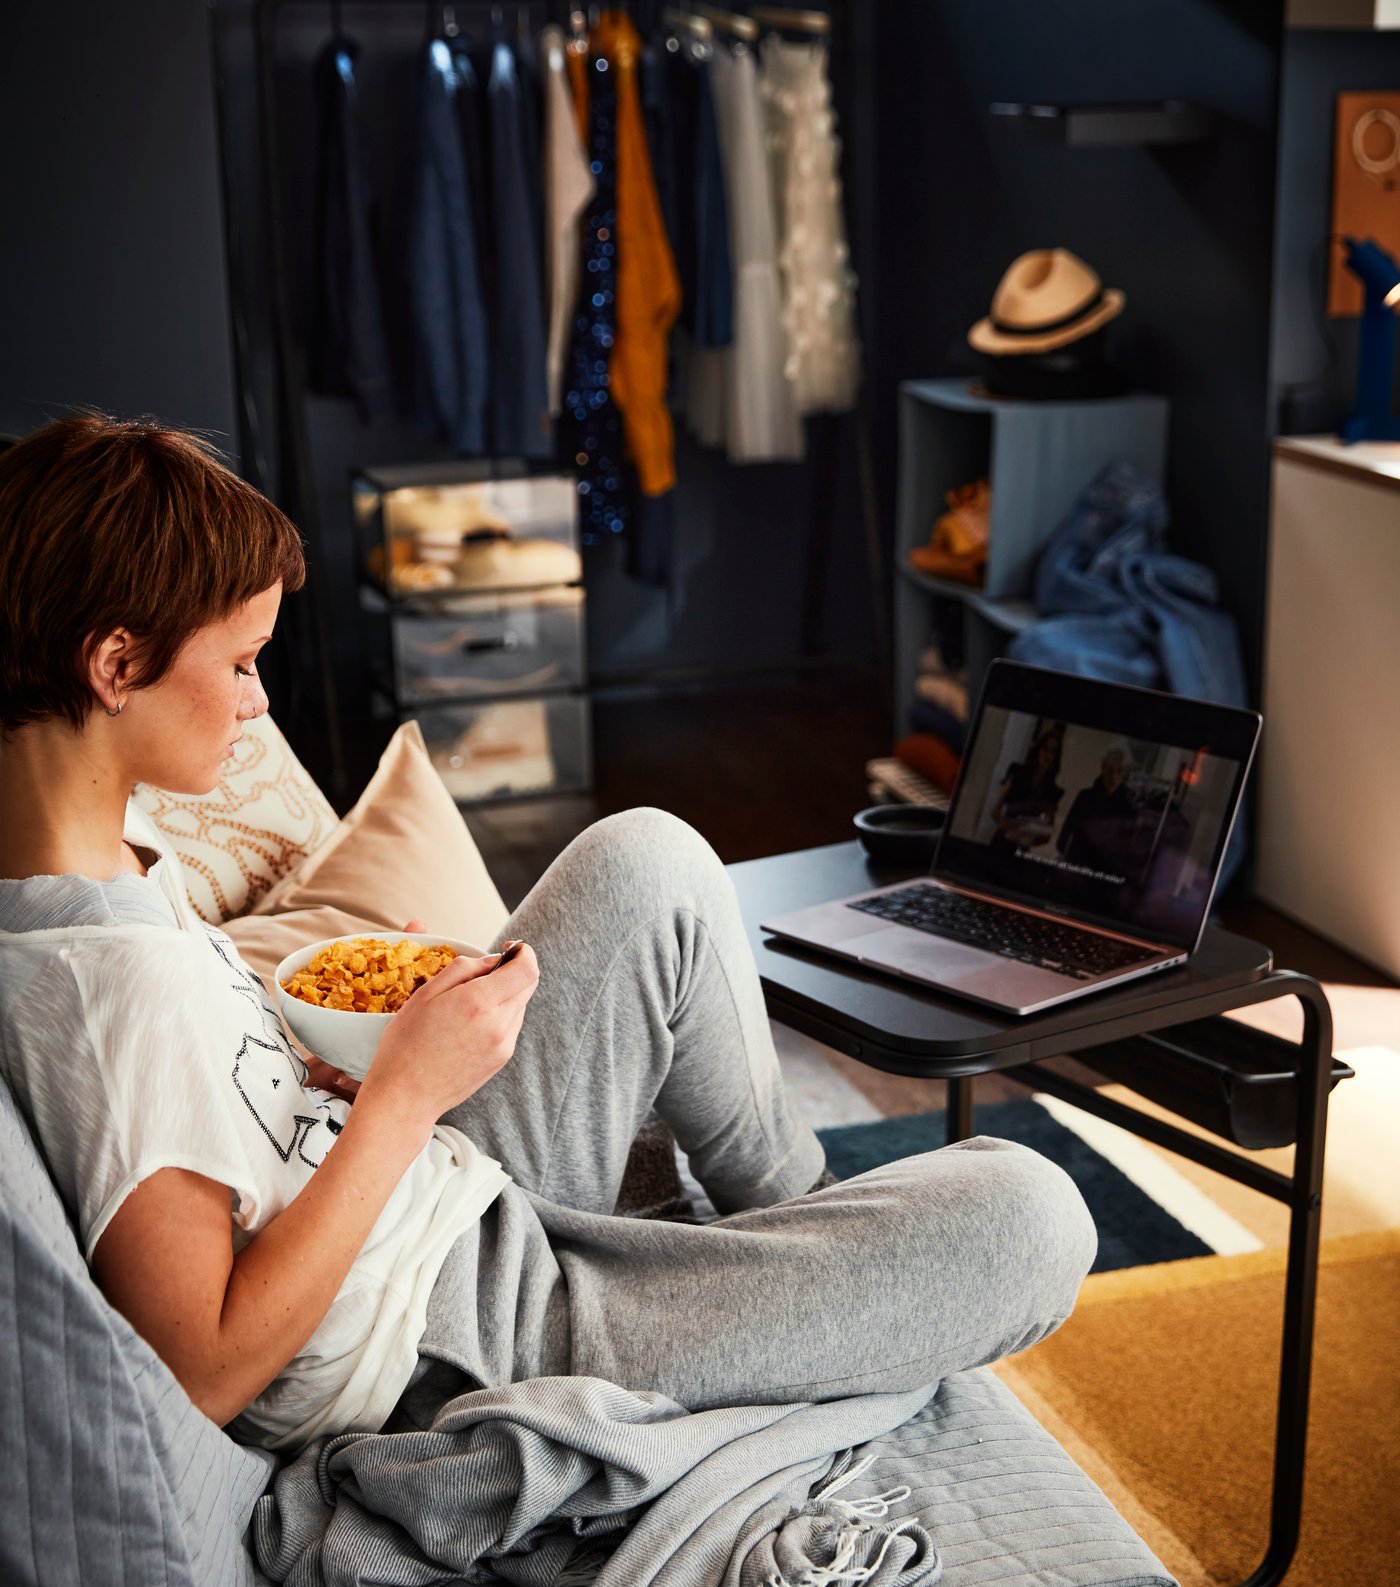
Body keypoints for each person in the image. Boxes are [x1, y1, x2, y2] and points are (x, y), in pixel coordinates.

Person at [0, 415, 1096, 1454]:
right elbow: (206, 1375)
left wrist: (330, 1067)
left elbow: (202, 1128)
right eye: (240, 663)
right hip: (451, 1330)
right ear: (114, 667)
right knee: (1032, 1217)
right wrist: (403, 1096)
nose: (259, 705)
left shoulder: (106, 859)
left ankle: (792, 1229)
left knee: (649, 860)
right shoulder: (105, 985)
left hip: (427, 1203)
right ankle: (794, 1282)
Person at [1056, 741, 1138, 870]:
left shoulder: (1128, 806)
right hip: (1076, 864)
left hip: (1104, 870)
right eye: (1110, 770)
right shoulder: (1085, 797)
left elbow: (1126, 847)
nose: (1114, 777)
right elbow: (1064, 835)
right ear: (1103, 769)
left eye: (1119, 772)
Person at [989, 719, 1065, 851]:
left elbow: (1046, 835)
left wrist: (1029, 841)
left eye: (1053, 751)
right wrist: (1005, 824)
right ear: (1039, 749)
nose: (1047, 754)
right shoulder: (1017, 772)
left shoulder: (1053, 791)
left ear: (1056, 757)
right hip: (1002, 841)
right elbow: (995, 811)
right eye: (1045, 748)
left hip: (1022, 848)